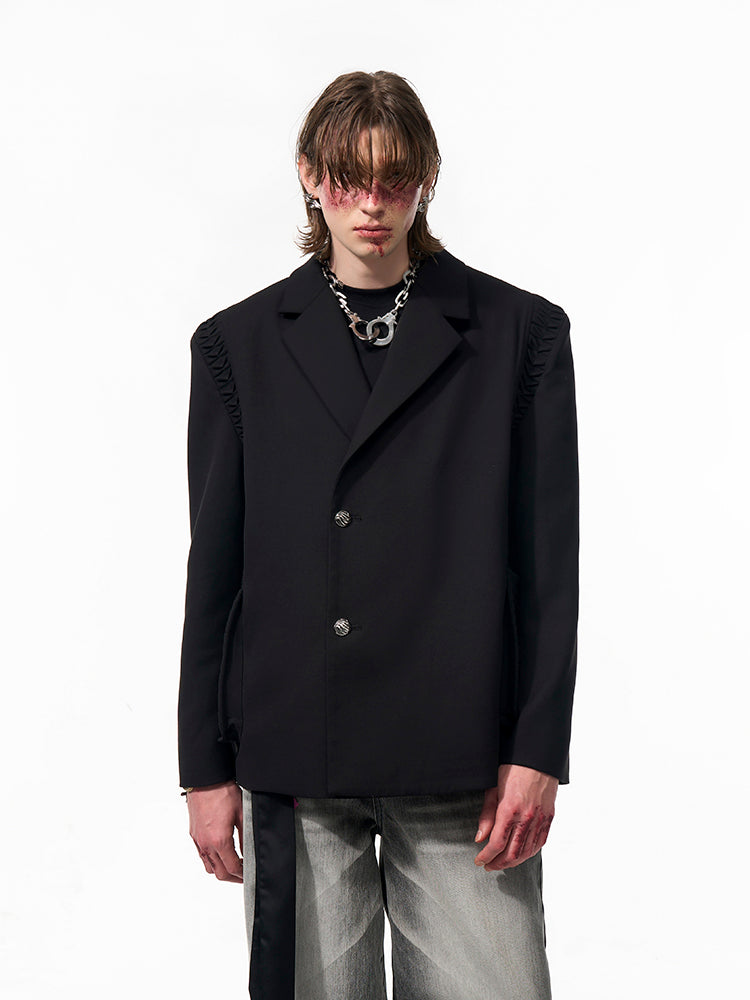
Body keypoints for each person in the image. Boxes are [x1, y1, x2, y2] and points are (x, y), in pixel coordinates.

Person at [177, 69, 579, 1000]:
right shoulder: (236, 347)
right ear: (309, 175)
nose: (371, 204)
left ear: (426, 178)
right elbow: (216, 573)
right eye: (348, 179)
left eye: (394, 179)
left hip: (464, 756)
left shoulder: (519, 336)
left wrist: (538, 750)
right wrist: (204, 766)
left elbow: (549, 568)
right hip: (295, 752)